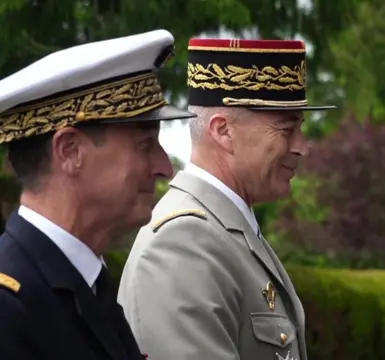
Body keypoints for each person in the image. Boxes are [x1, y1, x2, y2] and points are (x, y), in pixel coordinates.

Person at [117, 38, 336, 360]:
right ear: (223, 131)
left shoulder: (222, 231)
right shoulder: (182, 243)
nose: (302, 146)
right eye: (286, 130)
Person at [0, 29, 195, 360]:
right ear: (70, 151)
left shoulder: (88, 285)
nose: (165, 167)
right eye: (145, 145)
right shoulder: (9, 307)